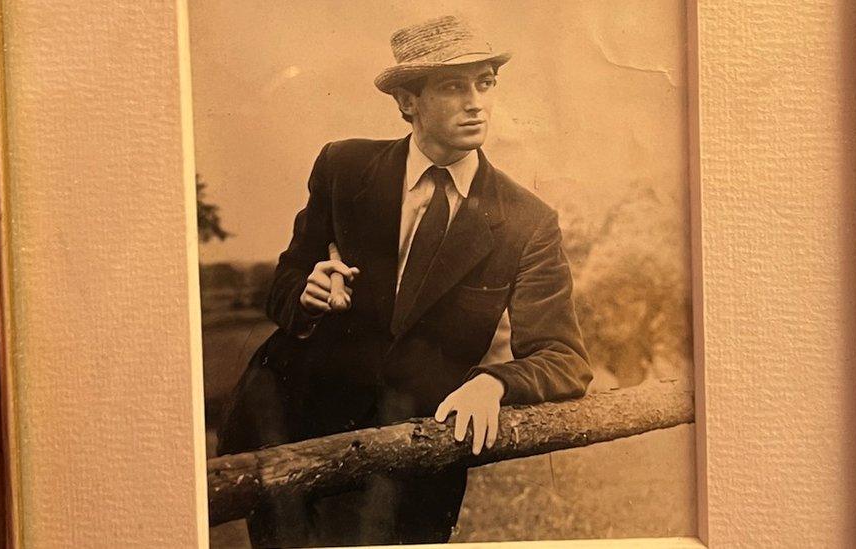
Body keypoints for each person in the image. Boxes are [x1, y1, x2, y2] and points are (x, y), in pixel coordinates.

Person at [217, 14, 592, 547]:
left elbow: (565, 358)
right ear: (406, 102)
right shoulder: (343, 167)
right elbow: (282, 284)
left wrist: (494, 381)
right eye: (452, 86)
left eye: (485, 83)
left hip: (416, 459)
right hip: (295, 430)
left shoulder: (527, 221)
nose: (476, 102)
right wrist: (307, 291)